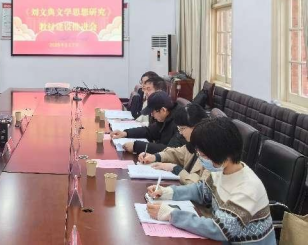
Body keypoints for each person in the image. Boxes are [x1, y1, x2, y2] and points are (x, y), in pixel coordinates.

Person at [146, 117, 276, 244]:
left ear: (222, 153)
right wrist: (168, 192)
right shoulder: (221, 170)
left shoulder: (247, 188)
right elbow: (202, 191)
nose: (201, 159)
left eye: (203, 155)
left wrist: (171, 214)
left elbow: (219, 229)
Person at [138, 103, 209, 184]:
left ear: (197, 126)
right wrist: (154, 157)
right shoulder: (194, 143)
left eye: (182, 128)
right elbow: (177, 153)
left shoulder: (210, 151)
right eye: (179, 129)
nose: (181, 133)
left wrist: (175, 169)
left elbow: (200, 186)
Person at [111, 92, 183, 154]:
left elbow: (170, 150)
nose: (152, 115)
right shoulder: (166, 117)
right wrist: (125, 133)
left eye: (153, 112)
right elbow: (149, 131)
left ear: (163, 110)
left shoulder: (180, 123)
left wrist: (136, 146)